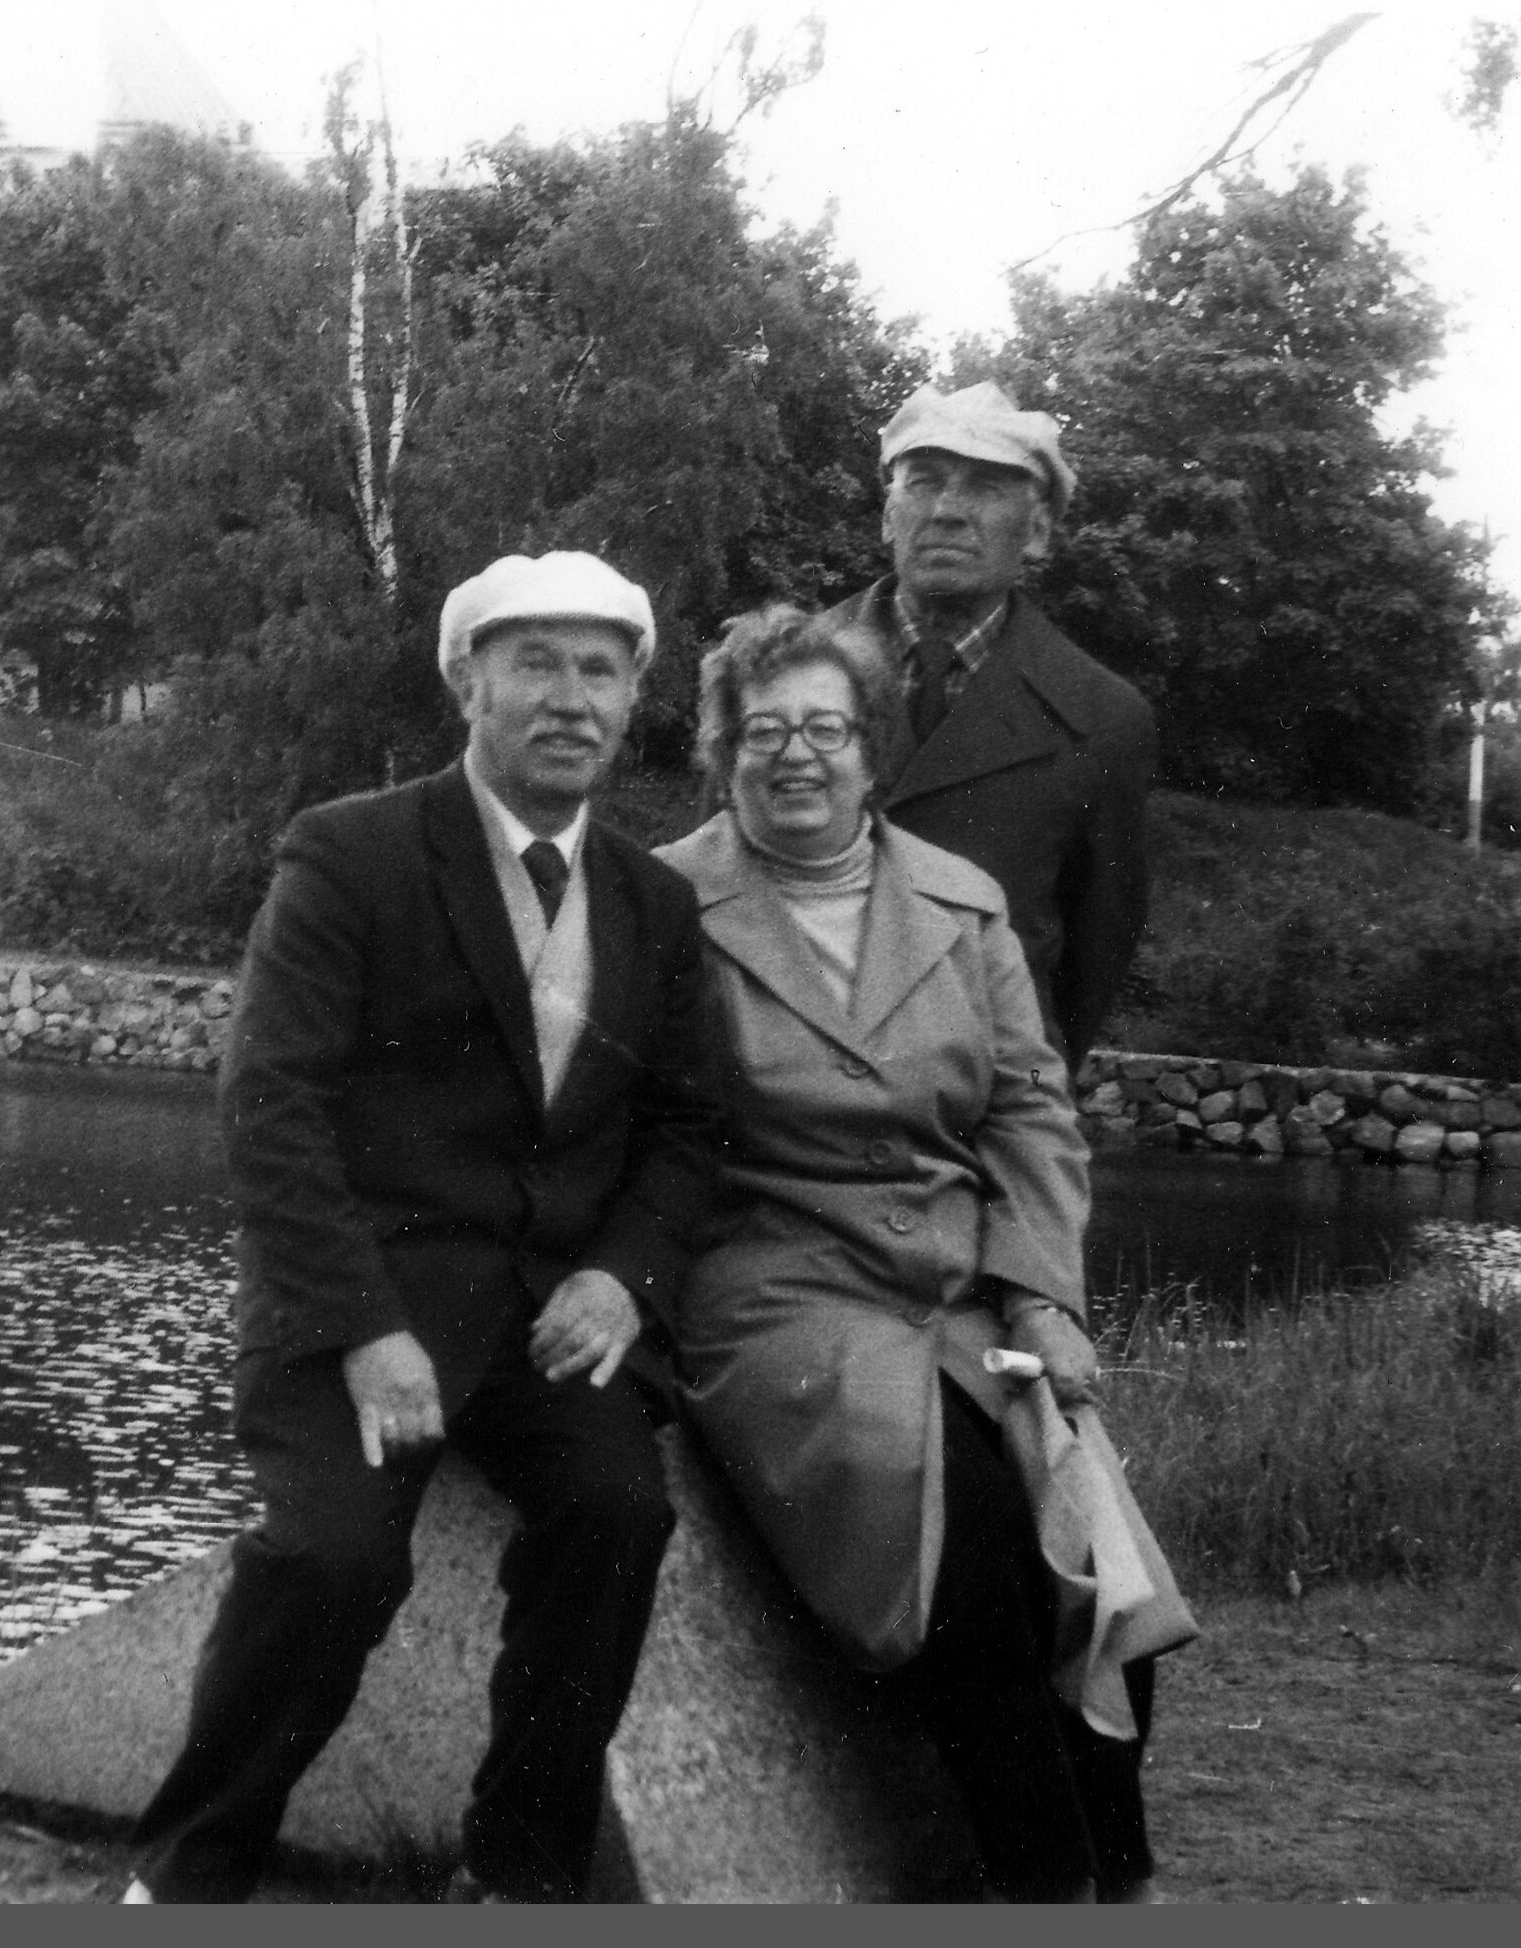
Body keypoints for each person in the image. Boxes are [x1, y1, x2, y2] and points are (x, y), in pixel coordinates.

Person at [123, 552, 731, 1904]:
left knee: (617, 1515)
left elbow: (688, 1130)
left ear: (632, 700)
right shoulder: (350, 852)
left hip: (548, 1322)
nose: (568, 699)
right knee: (331, 1558)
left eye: (598, 671)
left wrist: (621, 1279)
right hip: (363, 1304)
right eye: (534, 665)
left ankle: (518, 1871)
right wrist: (360, 1329)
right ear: (468, 684)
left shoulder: (654, 903)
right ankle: (186, 1869)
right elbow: (269, 1106)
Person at [654, 605, 1195, 1903]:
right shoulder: (660, 905)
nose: (796, 756)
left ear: (871, 749)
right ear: (721, 750)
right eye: (763, 731)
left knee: (1096, 1569)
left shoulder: (962, 902)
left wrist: (1044, 1298)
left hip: (961, 1288)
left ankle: (1119, 1881)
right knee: (969, 1570)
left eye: (825, 730)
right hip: (780, 1292)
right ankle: (1048, 1887)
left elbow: (1027, 1113)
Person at [822, 381, 1156, 1063]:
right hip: (790, 1095)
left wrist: (1023, 1093)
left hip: (983, 1101)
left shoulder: (1104, 719)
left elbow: (1092, 965)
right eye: (924, 481)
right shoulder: (782, 673)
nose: (947, 510)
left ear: (1037, 532)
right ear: (887, 517)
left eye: (985, 487)